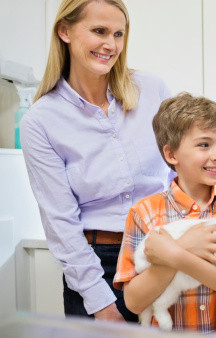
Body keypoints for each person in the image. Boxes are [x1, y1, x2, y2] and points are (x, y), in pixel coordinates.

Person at [20, 0, 179, 321]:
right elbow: (60, 223)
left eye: (119, 34)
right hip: (97, 265)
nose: (111, 45)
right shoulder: (41, 120)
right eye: (99, 31)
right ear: (64, 31)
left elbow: (183, 167)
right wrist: (100, 303)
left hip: (162, 254)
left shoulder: (152, 90)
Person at [113, 92, 216, 334]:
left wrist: (177, 253)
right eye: (204, 144)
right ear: (171, 154)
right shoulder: (143, 212)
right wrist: (186, 246)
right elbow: (134, 302)